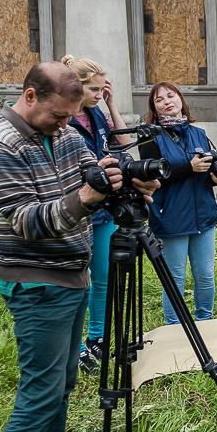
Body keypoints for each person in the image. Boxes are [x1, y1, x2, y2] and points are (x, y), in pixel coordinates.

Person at [0, 62, 157, 432]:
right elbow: (28, 222)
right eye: (58, 114)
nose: (66, 124)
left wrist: (125, 184)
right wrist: (89, 196)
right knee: (39, 396)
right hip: (35, 283)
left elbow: (91, 179)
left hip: (73, 277)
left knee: (60, 389)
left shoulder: (65, 132)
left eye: (73, 115)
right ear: (30, 96)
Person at [139, 83, 217, 325]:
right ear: (154, 108)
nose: (167, 101)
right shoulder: (150, 138)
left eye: (171, 95)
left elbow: (204, 175)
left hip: (203, 215)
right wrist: (188, 168)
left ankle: (205, 322)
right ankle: (173, 329)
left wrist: (214, 178)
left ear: (181, 99)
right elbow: (153, 178)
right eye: (159, 100)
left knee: (206, 276)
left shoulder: (198, 134)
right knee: (175, 278)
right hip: (171, 217)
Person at [61, 54, 128, 367]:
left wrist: (111, 105)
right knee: (78, 280)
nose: (99, 94)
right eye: (94, 89)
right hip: (77, 209)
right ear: (75, 87)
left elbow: (123, 143)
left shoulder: (98, 114)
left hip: (103, 210)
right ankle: (74, 348)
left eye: (103, 89)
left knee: (104, 276)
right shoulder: (63, 120)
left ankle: (98, 338)